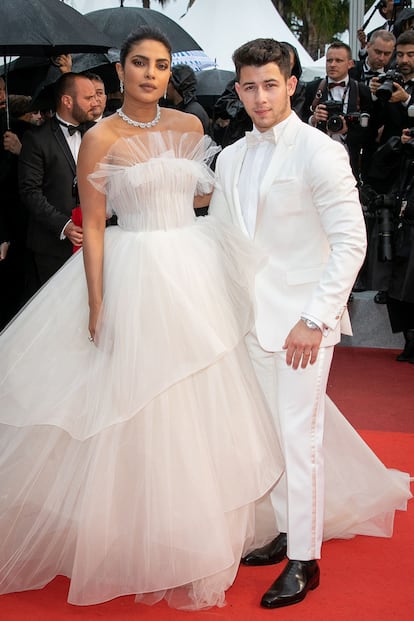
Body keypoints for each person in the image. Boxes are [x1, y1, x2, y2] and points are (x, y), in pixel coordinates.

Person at [0, 26, 285, 610]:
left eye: (160, 65)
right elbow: (98, 227)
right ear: (120, 72)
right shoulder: (99, 138)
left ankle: (201, 519)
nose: (151, 74)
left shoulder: (191, 127)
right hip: (134, 272)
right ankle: (136, 524)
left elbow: (206, 197)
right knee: (135, 398)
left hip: (193, 266)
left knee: (204, 390)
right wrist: (97, 299)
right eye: (139, 63)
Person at [209, 38, 412, 609]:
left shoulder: (321, 152)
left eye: (270, 84)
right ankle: (282, 529)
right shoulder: (230, 158)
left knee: (301, 439)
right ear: (239, 89)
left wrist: (313, 319)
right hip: (248, 322)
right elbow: (223, 240)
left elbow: (351, 243)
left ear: (292, 83)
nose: (259, 97)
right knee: (269, 436)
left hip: (303, 324)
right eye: (248, 86)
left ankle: (305, 558)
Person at [18, 72, 98, 295]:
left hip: (95, 240)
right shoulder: (36, 139)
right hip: (52, 246)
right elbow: (29, 192)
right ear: (67, 101)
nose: (95, 102)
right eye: (88, 98)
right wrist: (65, 226)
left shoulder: (96, 134)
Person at [304, 41, 375, 182]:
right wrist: (313, 118)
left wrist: (347, 130)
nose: (332, 64)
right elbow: (300, 120)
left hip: (350, 159)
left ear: (350, 64)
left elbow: (371, 131)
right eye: (329, 60)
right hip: (317, 157)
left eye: (338, 60)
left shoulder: (362, 90)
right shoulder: (313, 88)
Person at [165, 63, 210, 134]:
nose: (165, 87)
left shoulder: (192, 113)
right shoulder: (187, 108)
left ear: (176, 84)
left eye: (168, 82)